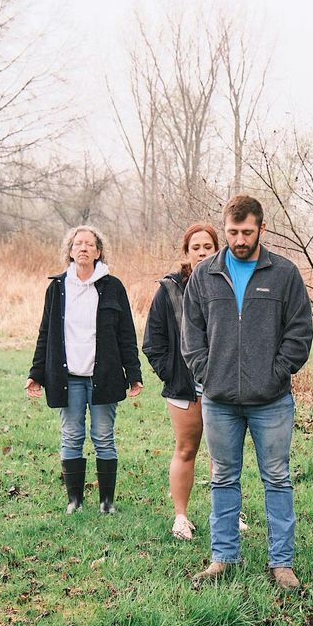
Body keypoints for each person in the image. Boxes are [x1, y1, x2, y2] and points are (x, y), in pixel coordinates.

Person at [181, 195, 313, 591]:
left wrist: (275, 375)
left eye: (247, 232)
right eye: (233, 232)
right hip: (220, 401)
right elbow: (192, 335)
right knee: (222, 478)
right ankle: (223, 557)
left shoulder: (284, 274)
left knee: (277, 478)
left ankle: (282, 563)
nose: (239, 240)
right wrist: (209, 374)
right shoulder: (205, 275)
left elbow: (299, 333)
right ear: (225, 229)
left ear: (262, 229)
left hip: (271, 401)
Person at [26, 226, 142, 515]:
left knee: (103, 436)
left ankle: (107, 502)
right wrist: (36, 373)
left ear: (98, 252)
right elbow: (46, 333)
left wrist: (134, 373)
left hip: (103, 376)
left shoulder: (113, 286)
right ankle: (74, 501)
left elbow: (126, 333)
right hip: (68, 378)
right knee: (71, 436)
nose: (84, 248)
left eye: (90, 244)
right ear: (70, 251)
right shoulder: (57, 288)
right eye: (78, 244)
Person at [142, 222, 218, 541]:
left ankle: (225, 514)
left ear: (218, 250)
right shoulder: (170, 289)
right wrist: (172, 373)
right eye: (195, 247)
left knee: (222, 456)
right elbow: (152, 342)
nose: (201, 252)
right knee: (186, 450)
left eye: (208, 247)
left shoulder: (230, 285)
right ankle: (181, 518)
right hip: (185, 389)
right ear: (186, 253)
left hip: (222, 387)